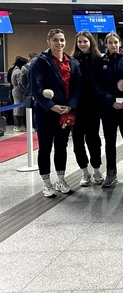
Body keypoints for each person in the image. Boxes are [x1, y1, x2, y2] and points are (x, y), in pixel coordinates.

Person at [29, 29, 81, 197]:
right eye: (55, 40)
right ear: (49, 42)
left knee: (61, 147)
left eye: (62, 40)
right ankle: (46, 184)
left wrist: (70, 106)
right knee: (45, 147)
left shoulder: (72, 62)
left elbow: (77, 88)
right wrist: (51, 105)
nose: (59, 43)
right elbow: (35, 89)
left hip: (65, 112)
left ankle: (61, 180)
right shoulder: (39, 62)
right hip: (46, 113)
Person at [91, 31, 123, 188]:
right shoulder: (99, 63)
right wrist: (110, 101)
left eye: (116, 42)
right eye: (110, 42)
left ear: (120, 43)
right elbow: (96, 86)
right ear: (106, 44)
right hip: (108, 109)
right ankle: (111, 173)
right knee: (110, 141)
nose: (113, 45)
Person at [71, 31, 104, 186]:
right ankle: (84, 172)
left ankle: (96, 170)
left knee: (93, 139)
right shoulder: (72, 61)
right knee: (77, 141)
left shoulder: (98, 60)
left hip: (93, 106)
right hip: (76, 107)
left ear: (91, 42)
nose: (82, 44)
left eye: (85, 41)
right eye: (80, 42)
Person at [10, 56, 28, 131]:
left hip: (15, 90)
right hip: (19, 91)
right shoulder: (18, 72)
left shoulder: (14, 70)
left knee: (17, 108)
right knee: (19, 109)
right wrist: (25, 90)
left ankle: (17, 125)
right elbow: (20, 83)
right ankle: (19, 125)